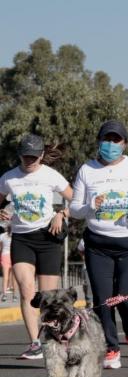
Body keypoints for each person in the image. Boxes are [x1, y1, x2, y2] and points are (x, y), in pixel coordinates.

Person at [70, 120, 128, 369]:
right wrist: (90, 206)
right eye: (106, 139)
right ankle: (111, 348)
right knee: (102, 299)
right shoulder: (87, 170)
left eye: (116, 140)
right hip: (98, 244)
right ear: (99, 142)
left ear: (124, 143)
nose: (111, 144)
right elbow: (74, 209)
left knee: (126, 297)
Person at [0, 134, 72, 359]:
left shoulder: (51, 175)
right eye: (25, 156)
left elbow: (77, 200)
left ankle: (53, 339)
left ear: (41, 155)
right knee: (26, 290)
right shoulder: (8, 178)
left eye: (33, 156)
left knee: (49, 297)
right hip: (22, 238)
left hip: (48, 237)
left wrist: (62, 213)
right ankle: (34, 343)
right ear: (19, 155)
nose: (29, 161)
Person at [0, 224, 16, 302]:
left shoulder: (2, 236)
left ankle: (4, 295)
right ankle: (15, 296)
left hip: (4, 256)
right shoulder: (15, 236)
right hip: (14, 256)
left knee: (5, 277)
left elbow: (1, 247)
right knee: (14, 278)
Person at [77, 238, 92, 308]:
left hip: (102, 267)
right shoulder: (84, 239)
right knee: (88, 285)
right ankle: (89, 304)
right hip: (88, 267)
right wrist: (84, 257)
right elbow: (80, 249)